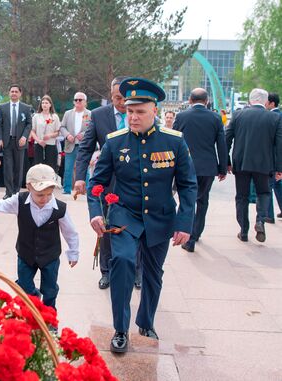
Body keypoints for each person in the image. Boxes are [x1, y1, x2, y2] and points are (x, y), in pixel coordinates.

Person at [88, 77, 197, 353]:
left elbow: (187, 184)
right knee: (122, 261)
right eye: (129, 111)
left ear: (154, 111)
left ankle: (145, 322)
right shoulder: (115, 143)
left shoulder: (174, 142)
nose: (133, 117)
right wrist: (95, 213)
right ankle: (121, 329)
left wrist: (185, 223)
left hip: (160, 218)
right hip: (124, 216)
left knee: (152, 274)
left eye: (139, 112)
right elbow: (96, 183)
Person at [0, 164, 79, 308]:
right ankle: (33, 300)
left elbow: (70, 232)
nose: (45, 198)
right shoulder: (19, 200)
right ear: (29, 187)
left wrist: (73, 252)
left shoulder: (60, 208)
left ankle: (49, 316)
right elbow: (1, 205)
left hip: (50, 256)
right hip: (25, 254)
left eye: (49, 194)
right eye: (40, 195)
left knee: (50, 289)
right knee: (24, 286)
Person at [75, 76, 142, 291]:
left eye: (125, 98)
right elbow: (85, 148)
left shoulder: (140, 114)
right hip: (107, 183)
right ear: (111, 96)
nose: (121, 103)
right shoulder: (98, 115)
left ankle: (137, 272)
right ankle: (107, 271)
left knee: (137, 228)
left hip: (136, 185)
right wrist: (79, 177)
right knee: (106, 226)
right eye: (116, 98)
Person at [173, 88, 228, 252]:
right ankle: (195, 235)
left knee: (186, 200)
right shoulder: (216, 118)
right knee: (202, 201)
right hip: (207, 167)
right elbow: (222, 144)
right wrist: (222, 168)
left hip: (185, 166)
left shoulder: (181, 117)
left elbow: (173, 140)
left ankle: (185, 233)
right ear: (207, 101)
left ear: (190, 100)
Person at [226, 88, 282, 242]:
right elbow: (279, 145)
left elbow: (227, 138)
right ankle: (260, 221)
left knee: (241, 196)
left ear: (250, 101)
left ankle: (243, 230)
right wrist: (279, 168)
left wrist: (226, 162)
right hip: (264, 164)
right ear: (265, 102)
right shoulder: (274, 118)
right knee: (263, 193)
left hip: (242, 162)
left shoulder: (238, 115)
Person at [0, 84, 33, 199]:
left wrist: (24, 137)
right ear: (9, 93)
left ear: (20, 93)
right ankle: (8, 192)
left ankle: (16, 192)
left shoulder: (26, 108)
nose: (13, 93)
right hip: (7, 142)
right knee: (8, 168)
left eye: (16, 91)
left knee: (18, 167)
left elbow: (29, 124)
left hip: (20, 142)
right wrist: (0, 138)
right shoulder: (3, 107)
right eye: (12, 91)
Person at [59, 92, 91, 194]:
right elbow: (62, 127)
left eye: (80, 100)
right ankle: (66, 189)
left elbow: (92, 129)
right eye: (76, 99)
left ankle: (85, 190)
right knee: (68, 169)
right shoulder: (68, 113)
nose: (77, 101)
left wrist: (84, 134)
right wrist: (67, 135)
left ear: (85, 102)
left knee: (84, 169)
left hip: (84, 145)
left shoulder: (90, 114)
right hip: (70, 145)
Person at [30, 95, 61, 172]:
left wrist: (50, 135)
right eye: (43, 103)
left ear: (50, 104)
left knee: (51, 166)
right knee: (38, 166)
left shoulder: (54, 117)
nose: (44, 105)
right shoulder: (36, 116)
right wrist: (38, 140)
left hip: (50, 144)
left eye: (46, 103)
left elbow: (58, 132)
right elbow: (32, 131)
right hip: (39, 144)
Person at [266, 92, 282, 220]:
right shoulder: (280, 115)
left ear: (272, 103)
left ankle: (268, 215)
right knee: (277, 185)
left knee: (268, 186)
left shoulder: (271, 117)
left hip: (273, 156)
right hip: (279, 156)